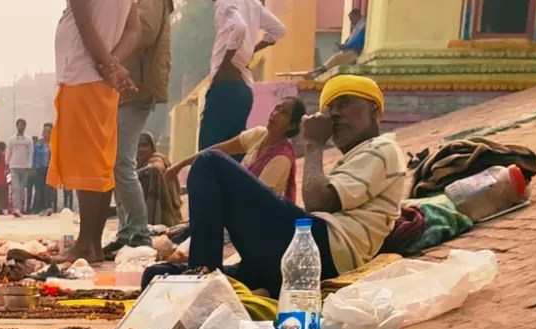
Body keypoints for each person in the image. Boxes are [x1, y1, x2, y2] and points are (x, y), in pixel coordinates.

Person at [179, 73, 405, 294]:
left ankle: (203, 285)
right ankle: (208, 278)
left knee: (209, 164)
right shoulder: (356, 157)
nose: (335, 114)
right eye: (330, 109)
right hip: (300, 251)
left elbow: (318, 202)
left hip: (321, 252)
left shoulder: (382, 149)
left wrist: (314, 144)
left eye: (345, 104)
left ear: (375, 109)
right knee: (161, 273)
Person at [47, 0, 140, 265]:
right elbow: (134, 30)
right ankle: (95, 244)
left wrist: (105, 64)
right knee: (101, 163)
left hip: (84, 74)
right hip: (102, 78)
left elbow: (84, 23)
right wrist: (115, 63)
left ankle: (85, 243)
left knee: (88, 165)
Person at [109, 0, 173, 250]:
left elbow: (144, 31)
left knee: (122, 162)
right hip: (127, 87)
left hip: (137, 85)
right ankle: (128, 228)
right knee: (119, 161)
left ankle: (136, 231)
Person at [195, 0, 286, 149]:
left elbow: (239, 27)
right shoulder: (251, 2)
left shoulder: (224, 2)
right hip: (244, 88)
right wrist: (252, 50)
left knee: (208, 153)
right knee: (234, 151)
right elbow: (278, 30)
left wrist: (227, 61)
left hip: (225, 86)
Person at [168, 95, 306, 202]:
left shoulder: (281, 158)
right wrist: (180, 165)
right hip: (235, 207)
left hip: (255, 219)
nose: (275, 114)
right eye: (277, 108)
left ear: (292, 126)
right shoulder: (259, 134)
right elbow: (216, 151)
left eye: (284, 113)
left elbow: (255, 198)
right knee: (207, 162)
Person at [137, 131, 184, 227]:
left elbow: (156, 167)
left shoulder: (157, 159)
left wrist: (135, 175)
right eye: (137, 146)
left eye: (144, 145)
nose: (140, 149)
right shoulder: (135, 162)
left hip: (162, 213)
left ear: (152, 147)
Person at [6, 119, 34, 216]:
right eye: (19, 125)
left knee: (22, 189)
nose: (21, 127)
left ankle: (20, 208)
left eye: (23, 125)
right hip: (14, 166)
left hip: (24, 167)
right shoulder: (11, 139)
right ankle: (16, 208)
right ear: (16, 126)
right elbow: (9, 152)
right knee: (15, 188)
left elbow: (31, 153)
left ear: (25, 126)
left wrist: (29, 165)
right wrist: (7, 164)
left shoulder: (29, 140)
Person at [31, 124, 53, 213]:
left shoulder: (53, 145)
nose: (46, 134)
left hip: (49, 169)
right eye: (44, 132)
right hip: (40, 168)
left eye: (48, 132)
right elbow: (34, 157)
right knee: (39, 188)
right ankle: (38, 208)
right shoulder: (38, 145)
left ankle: (47, 206)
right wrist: (34, 167)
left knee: (48, 189)